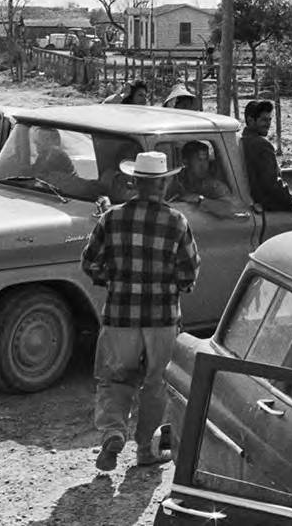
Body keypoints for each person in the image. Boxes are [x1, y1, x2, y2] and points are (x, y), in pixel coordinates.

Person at [81, 151, 201, 472]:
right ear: (163, 184)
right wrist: (172, 287)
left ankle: (113, 432)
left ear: (134, 182)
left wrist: (115, 280)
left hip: (120, 316)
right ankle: (146, 449)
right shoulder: (177, 221)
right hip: (162, 319)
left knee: (114, 378)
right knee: (156, 382)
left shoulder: (112, 218)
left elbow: (90, 262)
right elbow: (189, 272)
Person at [241, 99, 292, 211]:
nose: (268, 124)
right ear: (250, 120)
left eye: (269, 120)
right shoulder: (262, 145)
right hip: (269, 206)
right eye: (264, 120)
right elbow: (272, 184)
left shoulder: (241, 141)